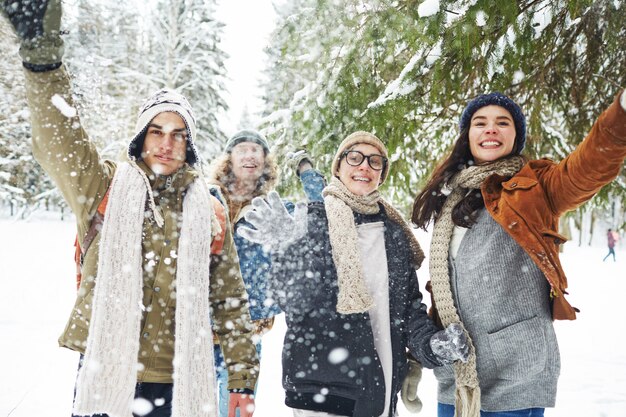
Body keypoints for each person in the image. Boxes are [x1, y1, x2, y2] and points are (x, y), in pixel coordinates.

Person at [2, 1, 259, 416]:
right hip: (105, 374)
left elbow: (230, 300)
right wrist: (42, 62)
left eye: (178, 134)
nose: (166, 142)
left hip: (179, 384)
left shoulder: (209, 210)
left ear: (189, 145)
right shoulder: (103, 186)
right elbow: (59, 140)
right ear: (141, 137)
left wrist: (243, 380)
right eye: (157, 130)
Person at [411, 91, 626, 417]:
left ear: (516, 135)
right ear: (468, 135)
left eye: (502, 122)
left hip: (516, 372)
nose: (490, 129)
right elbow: (450, 281)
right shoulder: (453, 198)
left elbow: (587, 169)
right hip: (457, 376)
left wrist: (620, 115)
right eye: (480, 123)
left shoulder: (535, 188)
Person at [239, 131, 471, 417]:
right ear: (338, 167)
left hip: (380, 392)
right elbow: (295, 303)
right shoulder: (312, 222)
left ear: (382, 173)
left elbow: (408, 310)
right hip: (323, 396)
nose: (364, 166)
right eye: (354, 157)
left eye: (375, 161)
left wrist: (432, 346)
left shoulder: (394, 236)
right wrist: (287, 252)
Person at [208, 130, 325, 417]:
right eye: (242, 149)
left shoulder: (274, 209)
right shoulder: (206, 199)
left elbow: (323, 215)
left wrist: (307, 172)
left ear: (265, 161)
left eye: (256, 150)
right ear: (228, 159)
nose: (249, 155)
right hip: (197, 330)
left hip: (247, 337)